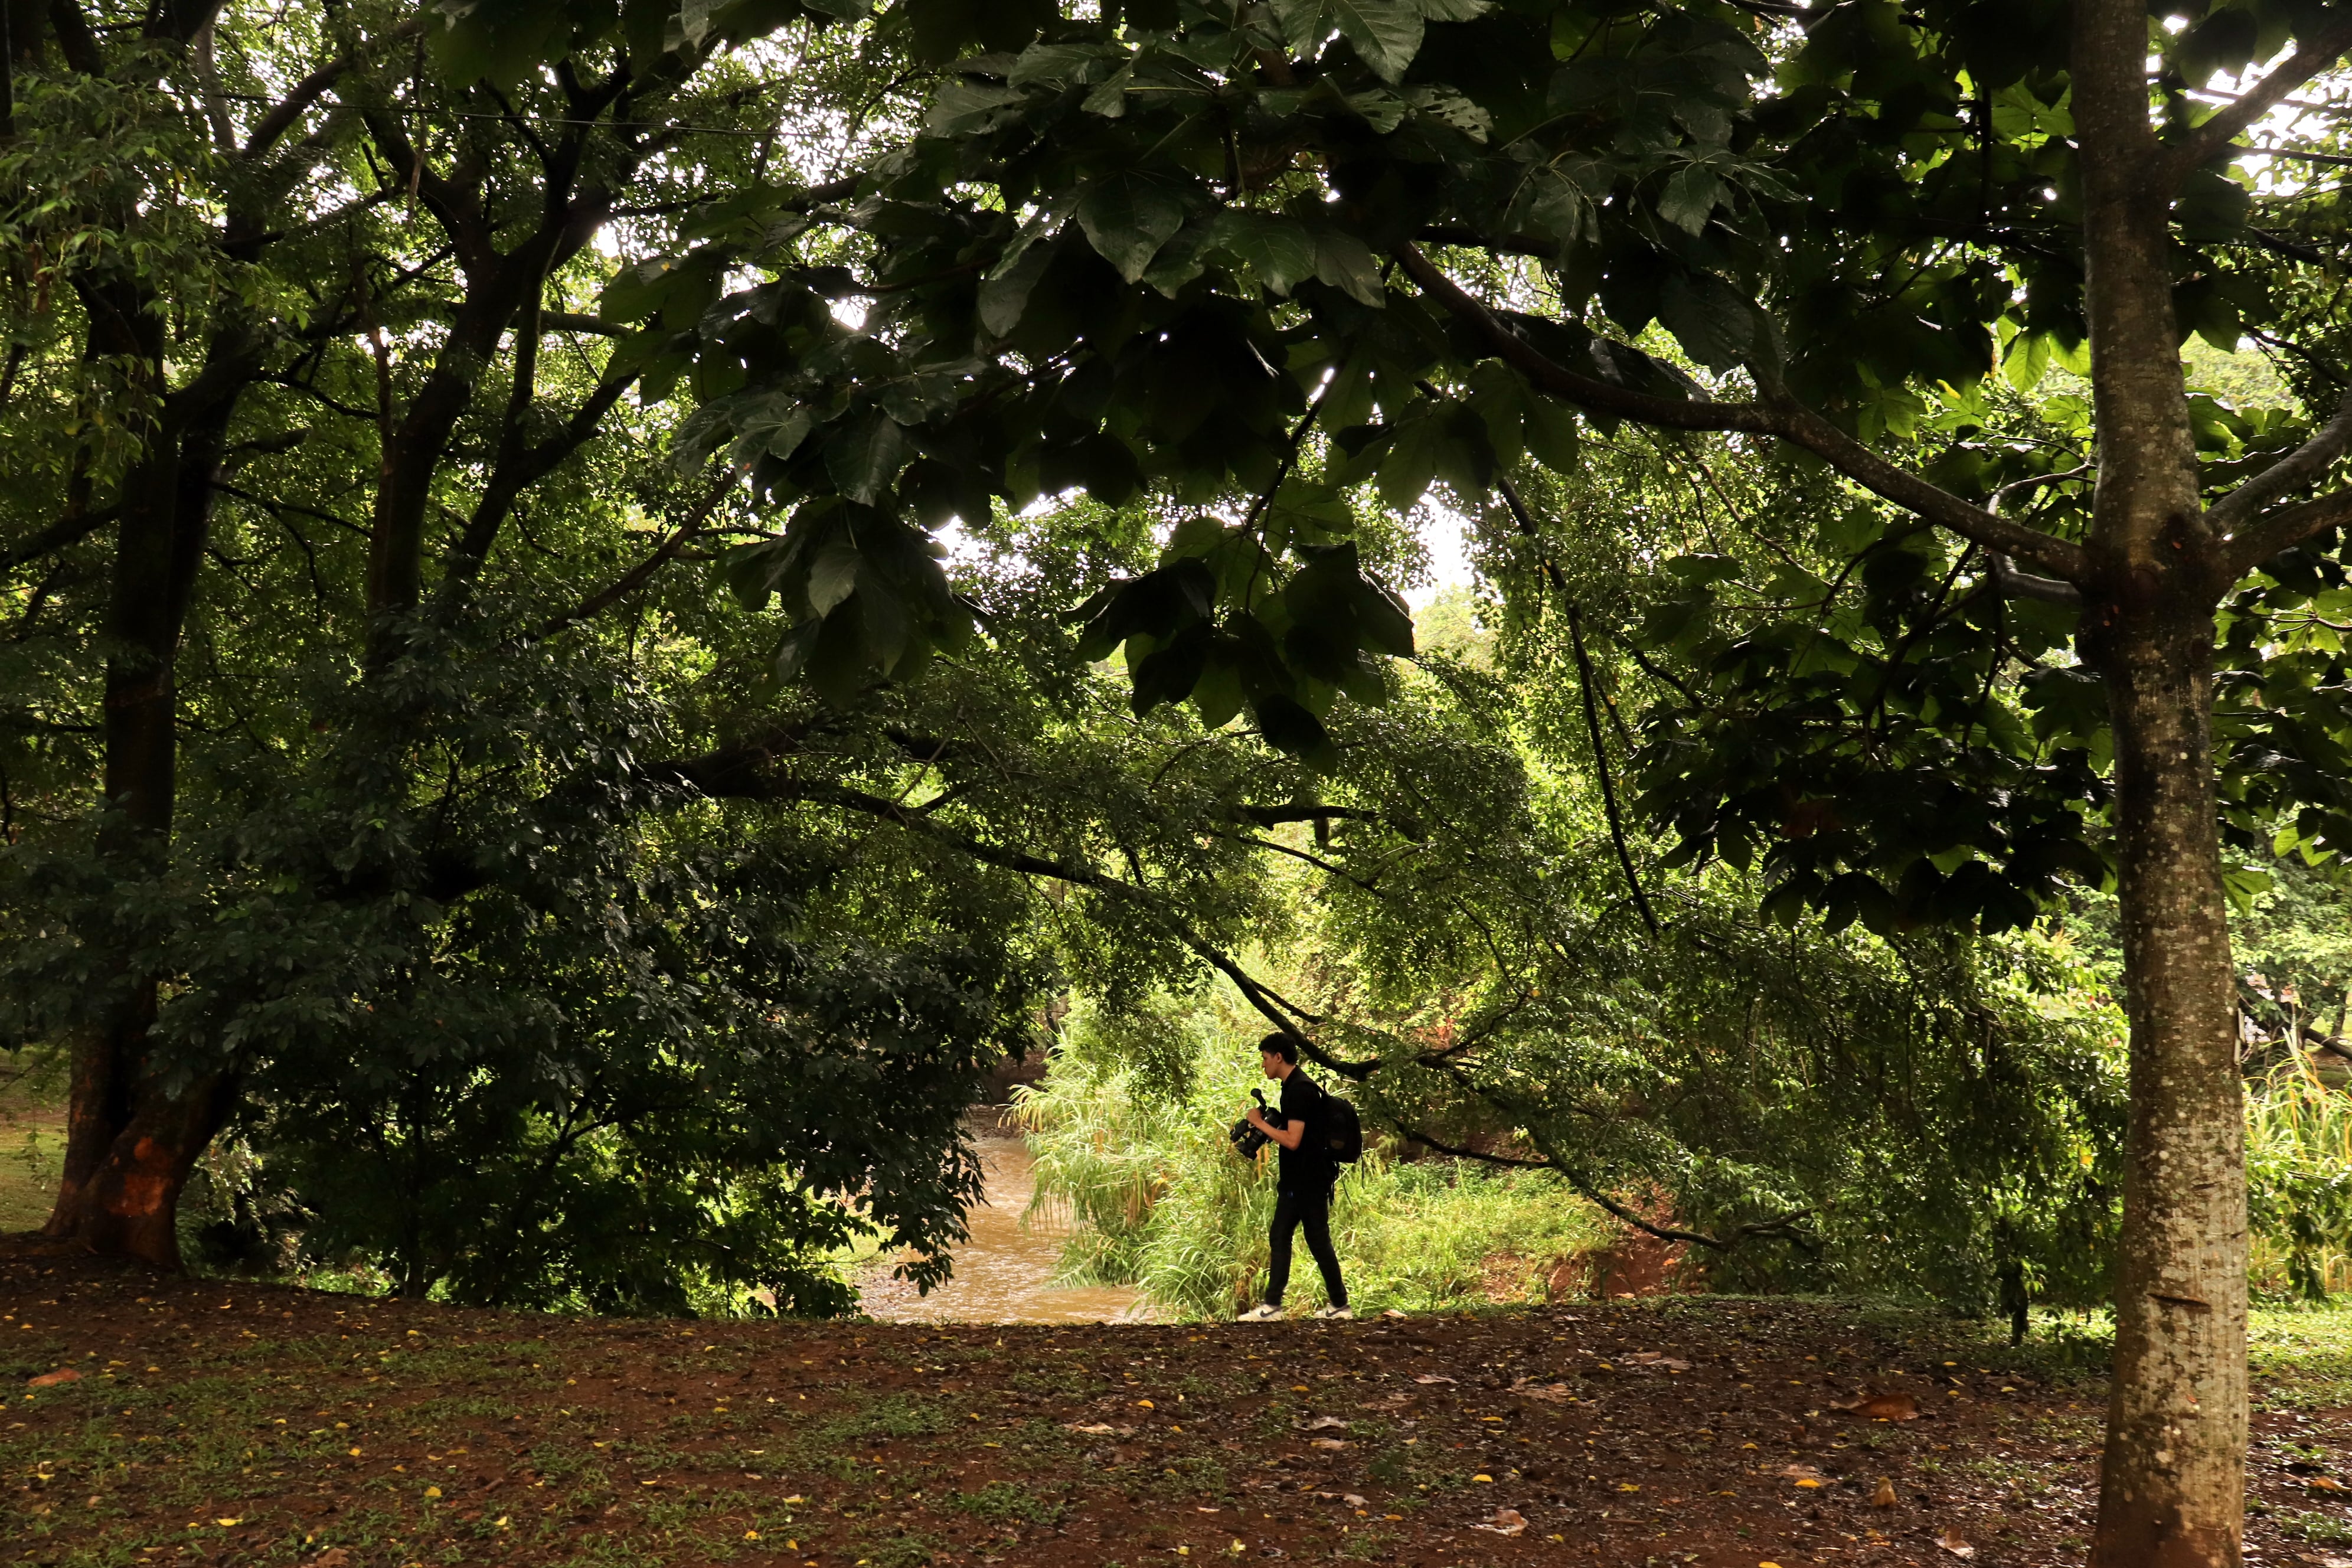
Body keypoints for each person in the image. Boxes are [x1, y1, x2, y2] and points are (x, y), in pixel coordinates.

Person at [1237, 1033, 1351, 1322]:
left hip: (1307, 1181)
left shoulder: (1299, 1090)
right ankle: (1284, 1306)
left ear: (1278, 1057)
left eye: (1265, 1058)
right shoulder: (1294, 1087)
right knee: (1285, 1235)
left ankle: (1332, 1305)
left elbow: (1292, 1140)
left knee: (1313, 1239)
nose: (1263, 1065)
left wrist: (1259, 1123)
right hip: (1301, 1180)